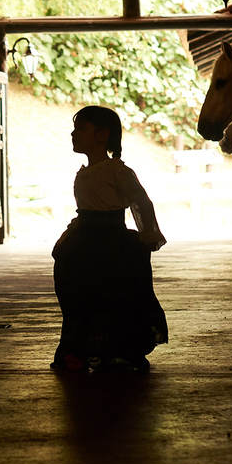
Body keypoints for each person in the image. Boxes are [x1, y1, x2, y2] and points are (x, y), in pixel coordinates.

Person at [50, 106, 169, 372]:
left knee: (115, 297)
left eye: (81, 128)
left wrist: (148, 234)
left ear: (103, 134)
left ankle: (119, 350)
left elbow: (141, 201)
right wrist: (69, 235)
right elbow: (85, 210)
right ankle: (82, 350)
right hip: (84, 241)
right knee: (81, 296)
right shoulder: (84, 172)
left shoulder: (118, 170)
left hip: (112, 243)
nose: (74, 133)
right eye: (75, 127)